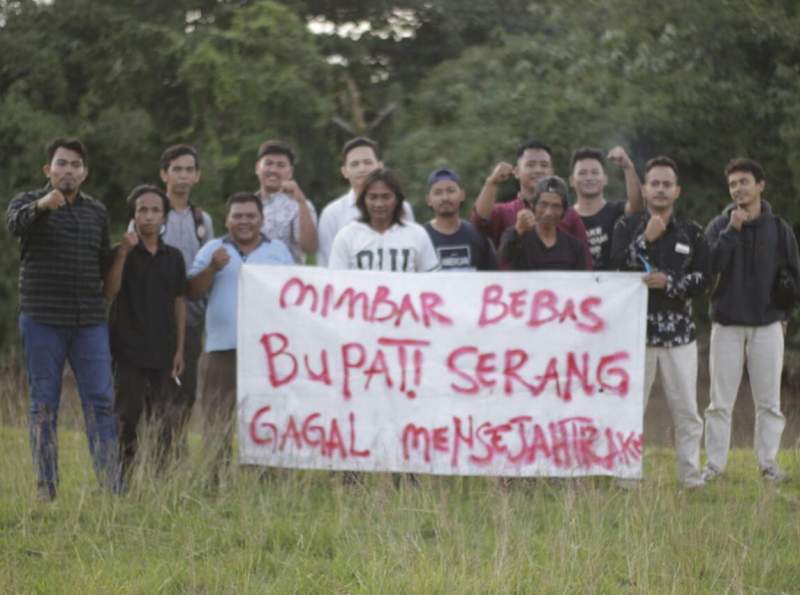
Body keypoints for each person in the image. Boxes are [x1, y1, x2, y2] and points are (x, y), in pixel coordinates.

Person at [6, 138, 118, 500]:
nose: (68, 170)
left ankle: (110, 485)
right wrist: (42, 205)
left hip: (89, 322)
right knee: (44, 402)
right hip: (42, 319)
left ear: (84, 172)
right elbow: (13, 226)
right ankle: (46, 485)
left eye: (74, 165)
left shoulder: (97, 212)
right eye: (61, 163)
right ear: (48, 170)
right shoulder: (27, 202)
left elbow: (103, 262)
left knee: (101, 399)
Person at [611, 156, 707, 488]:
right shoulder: (627, 227)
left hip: (680, 334)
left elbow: (704, 278)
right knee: (630, 407)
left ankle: (691, 476)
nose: (661, 189)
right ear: (645, 188)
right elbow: (615, 270)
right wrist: (645, 240)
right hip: (637, 335)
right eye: (655, 183)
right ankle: (627, 475)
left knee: (687, 410)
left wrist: (671, 282)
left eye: (667, 184)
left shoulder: (692, 232)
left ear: (677, 191)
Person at [702, 158, 800, 482]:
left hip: (768, 324)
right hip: (727, 324)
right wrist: (733, 230)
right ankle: (714, 466)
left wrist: (783, 317)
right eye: (732, 184)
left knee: (769, 401)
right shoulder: (719, 225)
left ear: (760, 185)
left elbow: (795, 277)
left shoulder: (779, 228)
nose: (737, 189)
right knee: (719, 402)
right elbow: (708, 267)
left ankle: (768, 464)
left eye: (744, 181)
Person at [188, 192, 293, 467]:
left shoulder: (279, 251)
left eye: (250, 216)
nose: (244, 221)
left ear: (262, 219)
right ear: (227, 219)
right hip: (221, 349)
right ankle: (214, 480)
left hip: (266, 353)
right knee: (217, 419)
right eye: (237, 216)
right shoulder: (212, 249)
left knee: (265, 419)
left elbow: (293, 297)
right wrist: (212, 268)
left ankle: (262, 481)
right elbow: (191, 291)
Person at [104, 185, 186, 482]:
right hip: (127, 351)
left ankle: (160, 480)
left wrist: (179, 349)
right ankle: (121, 479)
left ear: (164, 217)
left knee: (164, 419)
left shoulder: (173, 257)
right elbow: (110, 291)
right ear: (133, 215)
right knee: (128, 418)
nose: (149, 217)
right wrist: (124, 252)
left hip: (163, 350)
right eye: (142, 210)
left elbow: (179, 301)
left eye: (155, 211)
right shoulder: (120, 252)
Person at [157, 144, 213, 451]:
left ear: (197, 176)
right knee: (156, 392)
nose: (182, 176)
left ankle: (176, 454)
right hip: (154, 320)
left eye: (189, 170)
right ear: (164, 173)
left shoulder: (202, 219)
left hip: (191, 320)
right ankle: (154, 454)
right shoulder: (150, 209)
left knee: (186, 392)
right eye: (176, 169)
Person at [470, 138, 591, 266]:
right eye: (530, 165)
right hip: (514, 285)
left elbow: (585, 264)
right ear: (516, 172)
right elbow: (478, 222)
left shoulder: (569, 214)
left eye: (544, 165)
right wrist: (492, 182)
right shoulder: (503, 211)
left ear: (552, 172)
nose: (538, 170)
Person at [317, 137, 415, 266]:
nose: (362, 169)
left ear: (380, 166)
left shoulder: (403, 207)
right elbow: (327, 264)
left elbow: (413, 254)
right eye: (354, 164)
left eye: (368, 162)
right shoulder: (331, 214)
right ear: (344, 171)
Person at [329, 168, 439, 271]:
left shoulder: (417, 234)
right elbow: (336, 283)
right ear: (364, 199)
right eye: (373, 197)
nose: (379, 204)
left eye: (386, 197)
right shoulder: (346, 236)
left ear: (397, 199)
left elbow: (432, 281)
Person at [569, 146, 643, 270]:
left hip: (614, 287)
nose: (589, 177)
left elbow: (638, 206)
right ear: (572, 180)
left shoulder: (618, 211)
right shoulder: (564, 218)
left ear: (605, 179)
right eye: (582, 173)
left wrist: (628, 166)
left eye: (595, 172)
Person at [498, 175, 589, 271]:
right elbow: (503, 259)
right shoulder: (517, 237)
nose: (548, 212)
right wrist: (517, 231)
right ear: (533, 205)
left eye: (556, 206)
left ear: (564, 210)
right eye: (543, 204)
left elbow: (581, 282)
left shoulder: (575, 247)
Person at [254, 140, 318, 263]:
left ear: (290, 172)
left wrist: (301, 201)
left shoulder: (301, 205)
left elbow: (309, 248)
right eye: (268, 163)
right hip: (250, 278)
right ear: (257, 168)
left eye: (281, 165)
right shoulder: (247, 204)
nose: (273, 169)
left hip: (286, 279)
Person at [423, 167, 497, 271]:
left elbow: (493, 276)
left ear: (462, 195)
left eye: (451, 191)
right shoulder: (421, 237)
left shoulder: (477, 234)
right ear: (428, 200)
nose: (445, 198)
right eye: (438, 192)